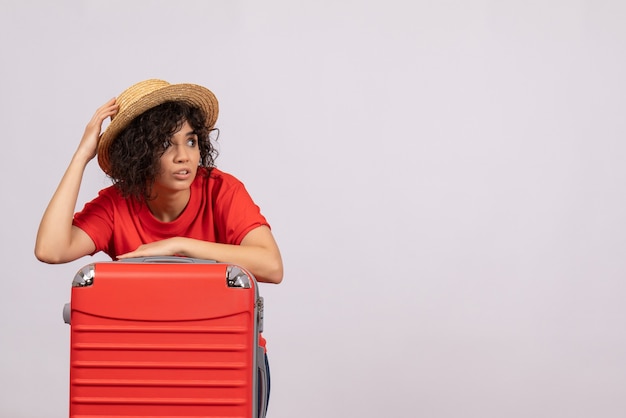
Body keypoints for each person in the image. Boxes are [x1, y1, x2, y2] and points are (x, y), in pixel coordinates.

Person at [35, 79, 282, 415]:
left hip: (224, 359)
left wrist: (182, 245)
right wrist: (82, 156)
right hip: (142, 364)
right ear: (139, 152)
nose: (184, 156)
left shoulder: (221, 190)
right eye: (167, 144)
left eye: (191, 141)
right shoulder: (117, 205)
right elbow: (50, 249)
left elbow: (271, 266)